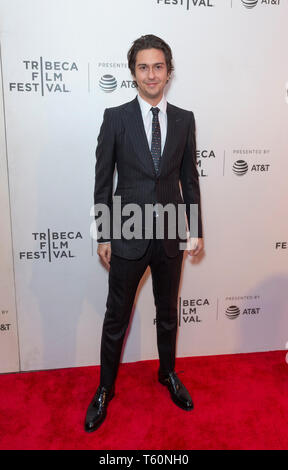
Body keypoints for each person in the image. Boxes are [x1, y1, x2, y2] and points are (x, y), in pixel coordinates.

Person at [85, 34, 204, 433]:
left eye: (158, 66)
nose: (151, 74)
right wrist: (103, 233)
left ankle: (167, 374)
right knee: (115, 317)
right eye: (143, 67)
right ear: (133, 72)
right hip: (127, 233)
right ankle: (104, 390)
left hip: (171, 233)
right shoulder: (115, 117)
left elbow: (189, 177)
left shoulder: (185, 119)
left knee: (168, 314)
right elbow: (102, 181)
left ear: (168, 72)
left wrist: (196, 229)